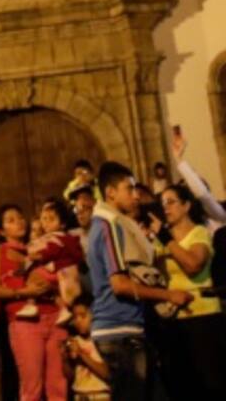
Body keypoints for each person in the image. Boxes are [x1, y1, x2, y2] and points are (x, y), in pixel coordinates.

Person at [86, 161, 191, 401]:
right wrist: (168, 295)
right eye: (128, 189)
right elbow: (119, 285)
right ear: (110, 192)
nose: (135, 195)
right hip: (119, 330)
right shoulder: (109, 225)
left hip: (125, 330)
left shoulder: (102, 224)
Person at [146, 182, 226, 396]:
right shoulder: (162, 238)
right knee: (183, 386)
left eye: (171, 202)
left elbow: (192, 265)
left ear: (187, 205)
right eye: (162, 203)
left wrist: (166, 240)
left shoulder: (199, 232)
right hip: (174, 319)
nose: (165, 208)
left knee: (209, 386)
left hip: (203, 317)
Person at [0, 203, 66, 400]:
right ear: (0, 229)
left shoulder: (38, 248)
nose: (19, 222)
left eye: (21, 218)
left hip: (54, 316)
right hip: (25, 323)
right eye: (11, 220)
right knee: (32, 386)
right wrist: (24, 292)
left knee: (58, 384)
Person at [62, 296, 110, 401]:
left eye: (83, 316)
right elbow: (70, 376)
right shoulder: (75, 341)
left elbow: (107, 373)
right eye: (75, 317)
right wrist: (64, 359)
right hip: (79, 395)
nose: (78, 321)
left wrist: (81, 354)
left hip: (100, 395)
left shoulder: (103, 341)